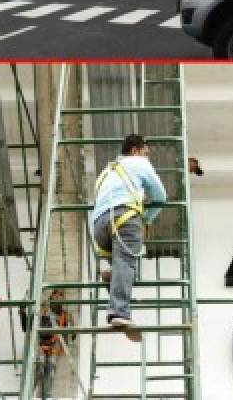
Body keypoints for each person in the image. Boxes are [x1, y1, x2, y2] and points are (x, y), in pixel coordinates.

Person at [91, 134, 166, 340]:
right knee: (126, 262)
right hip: (124, 218)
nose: (147, 158)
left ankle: (109, 270)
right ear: (134, 151)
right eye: (145, 153)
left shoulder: (105, 172)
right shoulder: (139, 164)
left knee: (118, 261)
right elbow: (160, 196)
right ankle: (119, 312)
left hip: (98, 226)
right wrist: (147, 219)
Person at [21, 290, 74, 398]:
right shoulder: (40, 312)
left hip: (54, 346)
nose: (58, 298)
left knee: (50, 370)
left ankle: (46, 395)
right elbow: (26, 327)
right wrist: (22, 312)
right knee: (39, 367)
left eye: (61, 295)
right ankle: (32, 393)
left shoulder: (65, 315)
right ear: (51, 298)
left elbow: (72, 334)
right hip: (40, 344)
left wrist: (71, 327)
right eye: (56, 295)